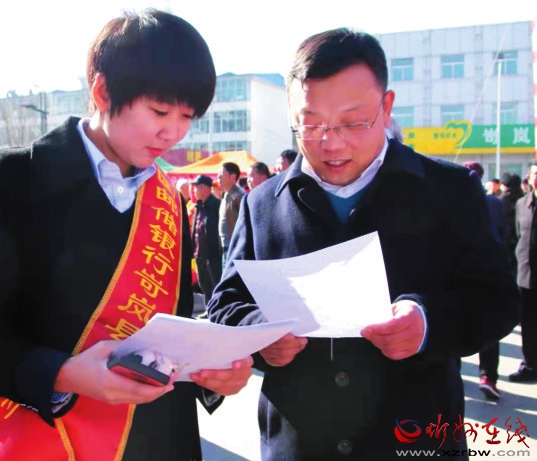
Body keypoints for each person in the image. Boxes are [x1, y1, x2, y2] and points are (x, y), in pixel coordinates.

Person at [0, 10, 252, 461]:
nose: (174, 132)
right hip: (44, 439)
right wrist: (62, 374)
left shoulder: (168, 202)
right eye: (160, 111)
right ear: (102, 91)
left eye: (188, 116)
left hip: (155, 442)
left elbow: (174, 332)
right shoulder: (22, 177)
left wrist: (214, 375)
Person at [207, 28, 519, 460]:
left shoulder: (449, 190)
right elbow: (226, 302)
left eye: (353, 122)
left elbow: (498, 300)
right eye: (310, 124)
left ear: (386, 107)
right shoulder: (262, 204)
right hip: (299, 445)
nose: (331, 142)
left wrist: (427, 323)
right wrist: (258, 332)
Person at [462, 162, 510, 400]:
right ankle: (488, 376)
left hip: (458, 274)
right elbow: (505, 234)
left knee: (453, 322)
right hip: (489, 271)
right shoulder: (494, 203)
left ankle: (453, 372)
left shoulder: (450, 200)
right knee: (488, 326)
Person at [511, 161, 537, 383]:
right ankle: (530, 365)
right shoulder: (521, 204)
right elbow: (518, 236)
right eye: (535, 174)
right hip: (526, 274)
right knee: (528, 325)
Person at [191, 174, 222, 307]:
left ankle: (218, 309)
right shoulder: (199, 206)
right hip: (200, 254)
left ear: (204, 188)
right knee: (204, 284)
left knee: (216, 283)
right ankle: (209, 309)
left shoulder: (217, 205)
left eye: (196, 187)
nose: (194, 191)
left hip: (213, 254)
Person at [217, 161, 245, 260]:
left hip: (234, 246)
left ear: (232, 177)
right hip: (226, 245)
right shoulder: (226, 194)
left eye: (221, 174)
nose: (218, 177)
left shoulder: (239, 195)